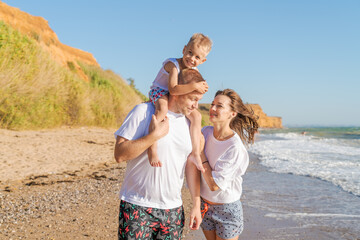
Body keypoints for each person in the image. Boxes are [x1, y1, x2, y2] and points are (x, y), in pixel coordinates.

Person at [114, 69, 206, 240]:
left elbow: (190, 166)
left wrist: (196, 205)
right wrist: (153, 136)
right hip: (137, 205)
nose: (195, 106)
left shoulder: (190, 124)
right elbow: (119, 154)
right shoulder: (143, 112)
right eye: (192, 99)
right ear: (177, 92)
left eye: (198, 101)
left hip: (173, 211)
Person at [148, 33, 212, 173]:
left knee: (197, 117)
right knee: (162, 109)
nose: (192, 58)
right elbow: (173, 89)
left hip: (177, 96)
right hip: (160, 91)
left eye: (197, 57)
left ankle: (195, 153)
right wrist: (195, 86)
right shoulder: (173, 65)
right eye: (190, 53)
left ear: (203, 60)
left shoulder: (194, 70)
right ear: (184, 49)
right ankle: (152, 147)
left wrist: (203, 86)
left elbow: (196, 87)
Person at [199, 89, 259, 240]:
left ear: (232, 113)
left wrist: (200, 154)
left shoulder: (234, 147)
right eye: (212, 104)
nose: (212, 108)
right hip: (204, 205)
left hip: (226, 209)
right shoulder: (205, 132)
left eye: (219, 106)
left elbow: (214, 185)